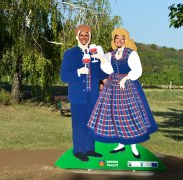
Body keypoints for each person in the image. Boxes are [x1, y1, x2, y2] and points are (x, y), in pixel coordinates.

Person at [87, 28, 158, 159]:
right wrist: (102, 59)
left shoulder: (131, 54)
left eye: (122, 38)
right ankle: (120, 144)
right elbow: (108, 69)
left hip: (128, 86)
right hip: (113, 86)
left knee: (129, 114)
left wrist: (125, 79)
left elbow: (137, 70)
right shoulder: (112, 54)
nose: (119, 41)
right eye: (117, 38)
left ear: (126, 40)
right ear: (114, 40)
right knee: (116, 114)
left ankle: (134, 147)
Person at [60, 25, 108, 161]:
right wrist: (78, 72)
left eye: (87, 35)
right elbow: (64, 77)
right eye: (82, 35)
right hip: (77, 96)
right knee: (79, 123)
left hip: (93, 96)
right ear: (77, 36)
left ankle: (90, 149)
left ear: (90, 37)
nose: (84, 38)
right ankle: (78, 150)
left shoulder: (94, 53)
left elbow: (100, 73)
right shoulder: (69, 54)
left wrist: (110, 77)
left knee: (91, 123)